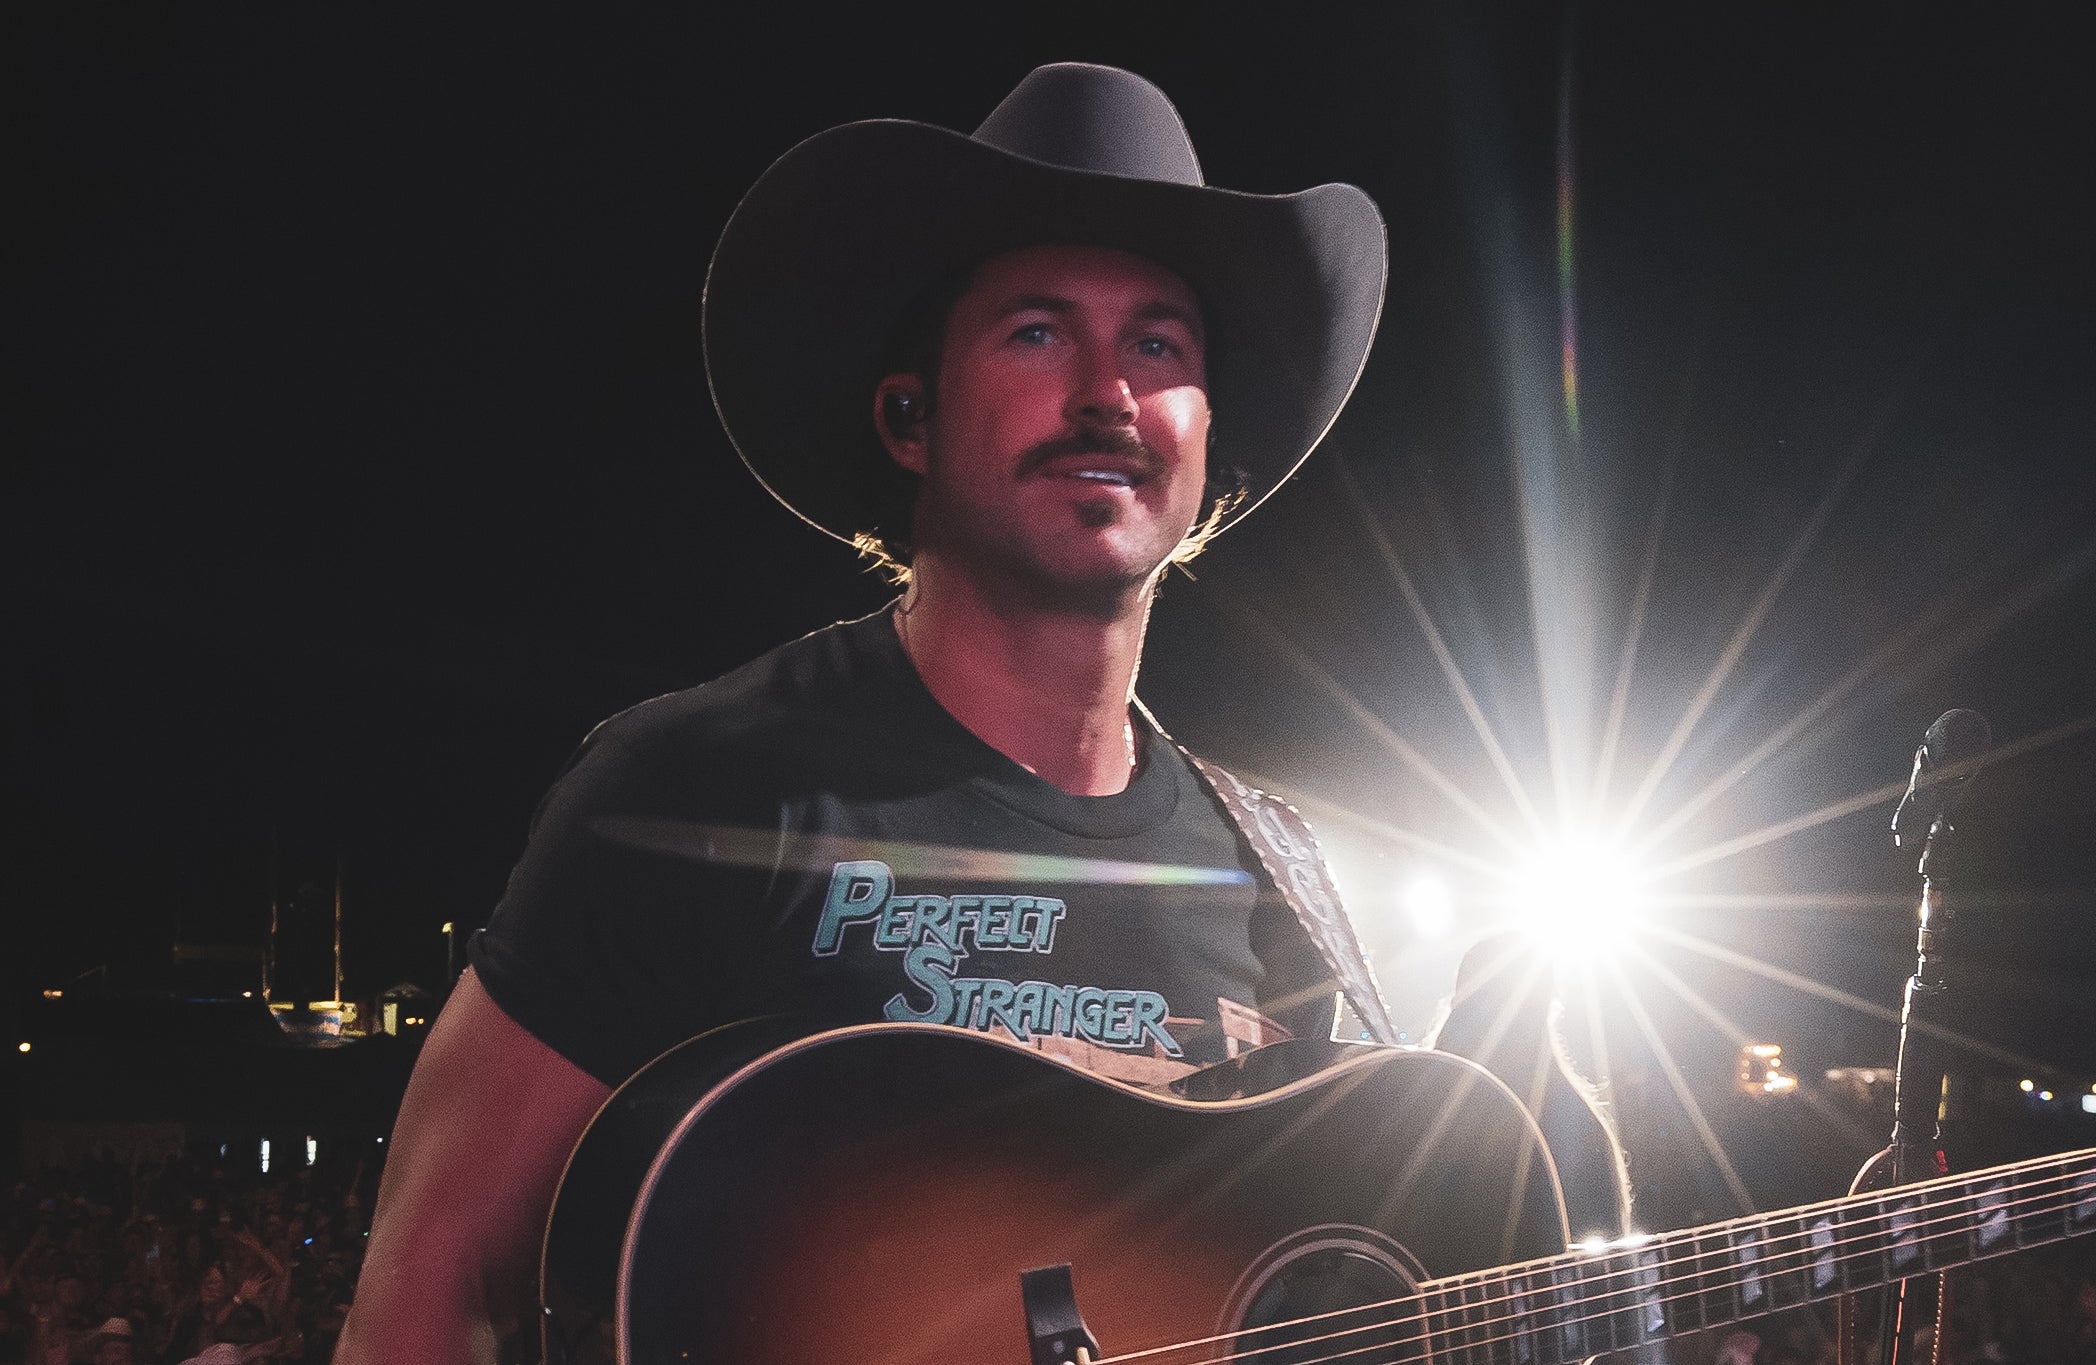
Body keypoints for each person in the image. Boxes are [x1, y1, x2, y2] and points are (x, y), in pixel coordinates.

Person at [336, 62, 1389, 1364]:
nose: (1108, 391)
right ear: (909, 417)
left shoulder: (1278, 881)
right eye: (1038, 332)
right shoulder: (695, 789)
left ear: (1206, 441)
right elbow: (430, 1286)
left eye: (1159, 344)